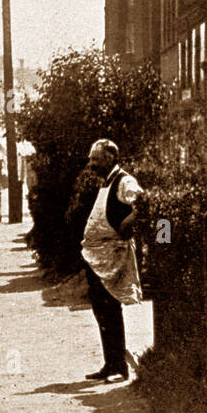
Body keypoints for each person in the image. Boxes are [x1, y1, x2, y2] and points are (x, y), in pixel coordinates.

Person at [80, 139, 142, 382]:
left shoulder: (124, 181)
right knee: (101, 310)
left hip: (114, 257)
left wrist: (126, 225)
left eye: (96, 159)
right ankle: (110, 362)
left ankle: (120, 368)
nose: (92, 164)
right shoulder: (105, 183)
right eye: (91, 159)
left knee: (111, 309)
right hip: (97, 258)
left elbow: (142, 206)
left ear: (111, 158)